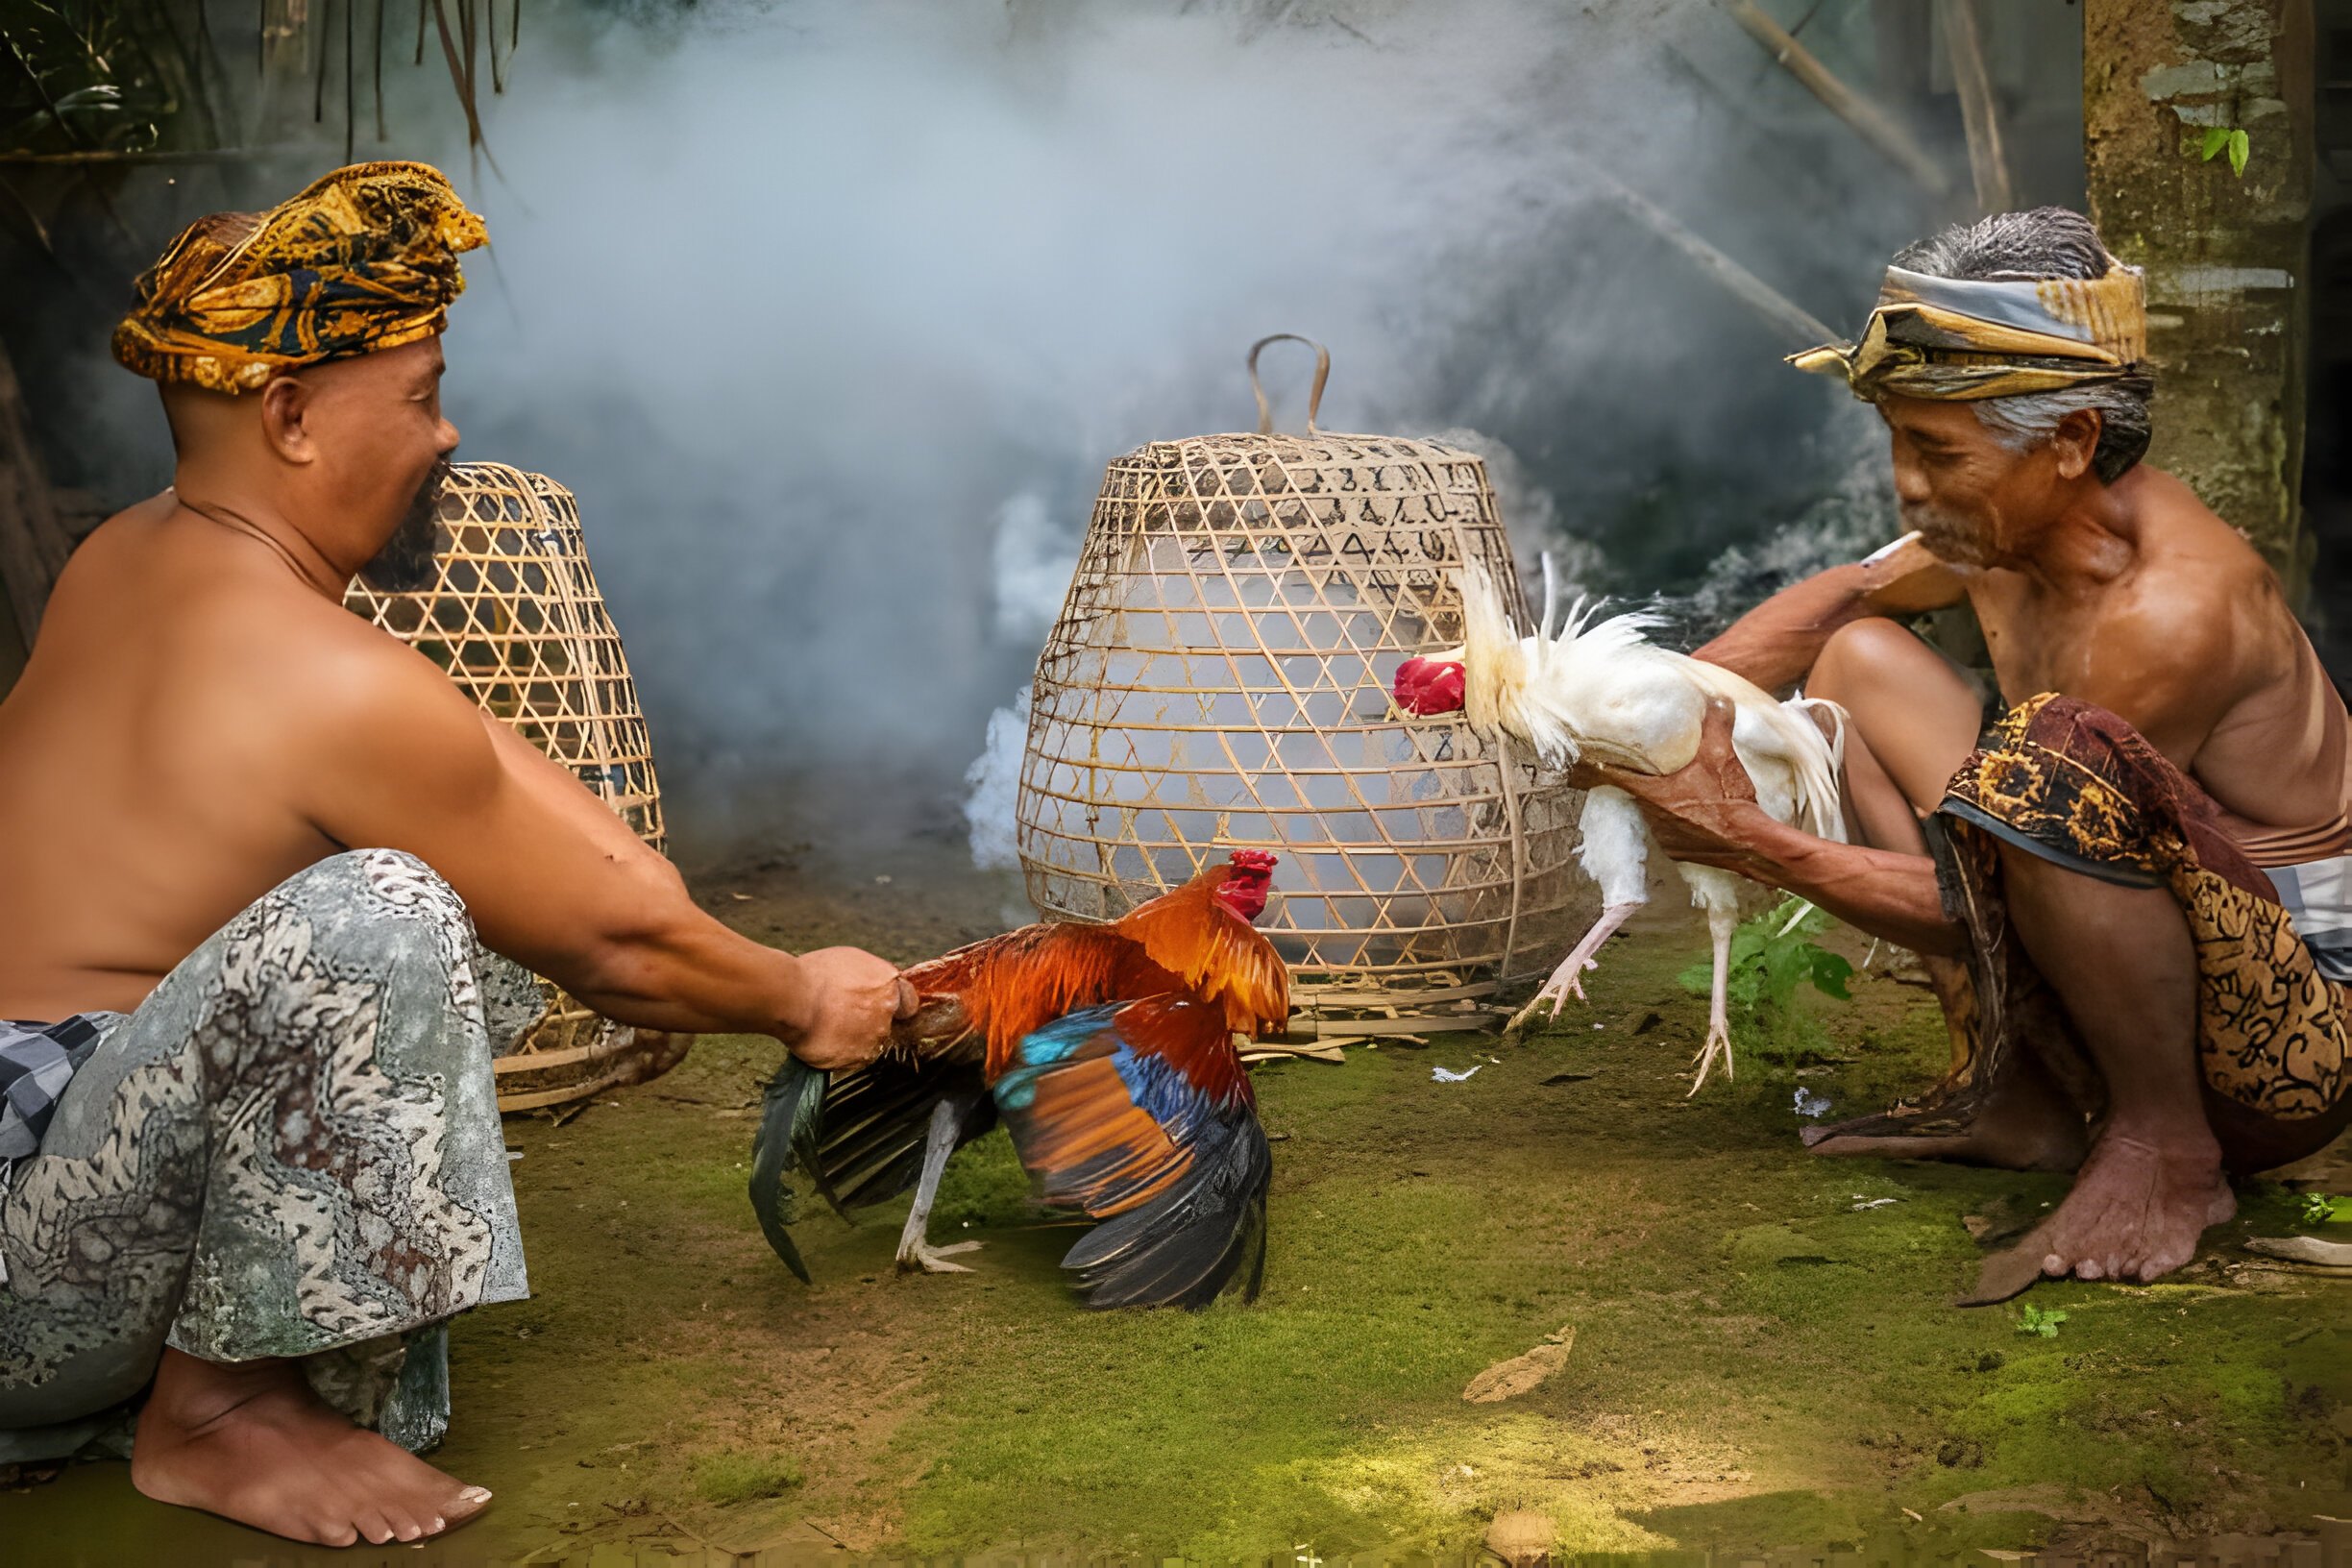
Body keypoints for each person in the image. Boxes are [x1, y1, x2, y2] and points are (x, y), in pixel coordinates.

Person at [0, 162, 915, 1546]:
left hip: (50, 1168)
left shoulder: (126, 559)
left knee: (452, 925)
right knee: (388, 913)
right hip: (27, 1283)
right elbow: (617, 943)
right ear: (292, 416)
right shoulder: (325, 684)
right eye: (419, 395)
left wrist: (647, 931)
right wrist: (803, 999)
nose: (447, 434)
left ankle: (213, 1378)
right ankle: (220, 1413)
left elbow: (572, 862)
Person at [1585, 207, 2351, 1302]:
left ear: (2073, 443)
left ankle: (2165, 1146)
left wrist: (1747, 839)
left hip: (2287, 1038)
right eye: (1897, 441)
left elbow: (1993, 896)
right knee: (1857, 658)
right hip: (2126, 941)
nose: (1907, 483)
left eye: (1937, 450)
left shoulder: (2171, 615)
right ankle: (2014, 1091)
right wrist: (1625, 719)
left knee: (2048, 758)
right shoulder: (2006, 527)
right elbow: (1841, 600)